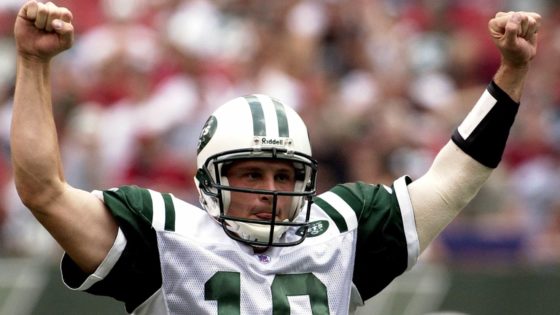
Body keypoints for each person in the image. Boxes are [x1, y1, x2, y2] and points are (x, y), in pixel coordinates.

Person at [11, 1, 541, 314]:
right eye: (251, 173)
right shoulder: (166, 238)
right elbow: (43, 191)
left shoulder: (341, 231)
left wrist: (510, 75)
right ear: (211, 180)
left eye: (284, 175)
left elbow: (455, 176)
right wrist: (34, 65)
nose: (270, 189)